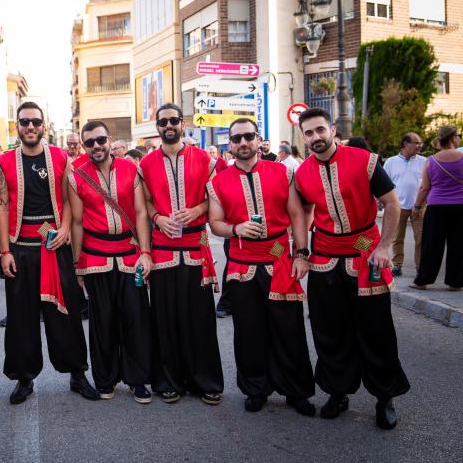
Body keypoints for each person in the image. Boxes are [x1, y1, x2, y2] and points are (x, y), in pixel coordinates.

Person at [295, 107, 409, 430]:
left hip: (365, 253)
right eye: (309, 133)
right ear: (303, 138)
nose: (315, 137)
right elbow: (301, 213)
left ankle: (384, 397)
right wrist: (301, 252)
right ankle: (338, 391)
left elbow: (392, 203)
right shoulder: (301, 173)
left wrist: (385, 246)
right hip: (324, 256)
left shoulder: (365, 161)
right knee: (329, 331)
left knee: (376, 330)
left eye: (320, 130)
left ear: (332, 130)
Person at [207, 118, 315, 416]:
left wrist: (302, 253)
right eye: (237, 138)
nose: (243, 143)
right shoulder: (217, 182)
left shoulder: (282, 171)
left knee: (289, 329)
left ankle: (296, 391)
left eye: (249, 137)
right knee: (248, 330)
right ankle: (256, 389)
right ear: (229, 144)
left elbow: (297, 214)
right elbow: (215, 223)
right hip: (242, 264)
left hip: (280, 257)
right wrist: (236, 228)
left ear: (258, 139)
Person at [0, 101, 97, 404]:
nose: (30, 127)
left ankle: (77, 374)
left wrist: (65, 228)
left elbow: (69, 199)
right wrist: (4, 251)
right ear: (17, 125)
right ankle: (24, 379)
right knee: (20, 318)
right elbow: (2, 206)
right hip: (20, 247)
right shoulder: (4, 161)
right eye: (24, 122)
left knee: (65, 314)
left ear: (43, 126)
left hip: (55, 246)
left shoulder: (61, 157)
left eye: (35, 122)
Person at [139, 103, 223, 405]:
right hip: (163, 250)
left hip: (196, 249)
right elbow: (144, 203)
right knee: (165, 318)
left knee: (199, 318)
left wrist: (198, 209)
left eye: (173, 120)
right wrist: (158, 217)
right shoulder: (145, 164)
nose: (169, 126)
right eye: (163, 122)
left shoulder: (205, 160)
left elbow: (214, 199)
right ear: (157, 126)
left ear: (182, 123)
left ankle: (206, 381)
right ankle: (167, 380)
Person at [69, 121, 154, 403]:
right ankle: (105, 379)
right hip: (95, 256)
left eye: (101, 140)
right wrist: (77, 263)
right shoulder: (77, 175)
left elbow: (141, 213)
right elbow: (78, 222)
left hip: (130, 254)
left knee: (136, 317)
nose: (96, 146)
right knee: (102, 321)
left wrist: (145, 251)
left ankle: (138, 379)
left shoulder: (132, 169)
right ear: (84, 146)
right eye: (90, 142)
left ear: (109, 140)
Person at [412, 125, 462, 290]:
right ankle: (455, 283)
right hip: (460, 207)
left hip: (436, 208)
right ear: (453, 138)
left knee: (431, 245)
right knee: (458, 245)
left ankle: (422, 281)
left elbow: (424, 187)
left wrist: (417, 206)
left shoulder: (431, 160)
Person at [383, 133, 426, 277]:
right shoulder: (390, 162)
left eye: (420, 143)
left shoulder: (424, 161)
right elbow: (385, 186)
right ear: (405, 144)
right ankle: (397, 265)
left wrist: (421, 204)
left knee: (421, 238)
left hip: (419, 207)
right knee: (397, 238)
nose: (419, 146)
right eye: (416, 143)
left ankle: (421, 267)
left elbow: (428, 185)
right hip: (398, 207)